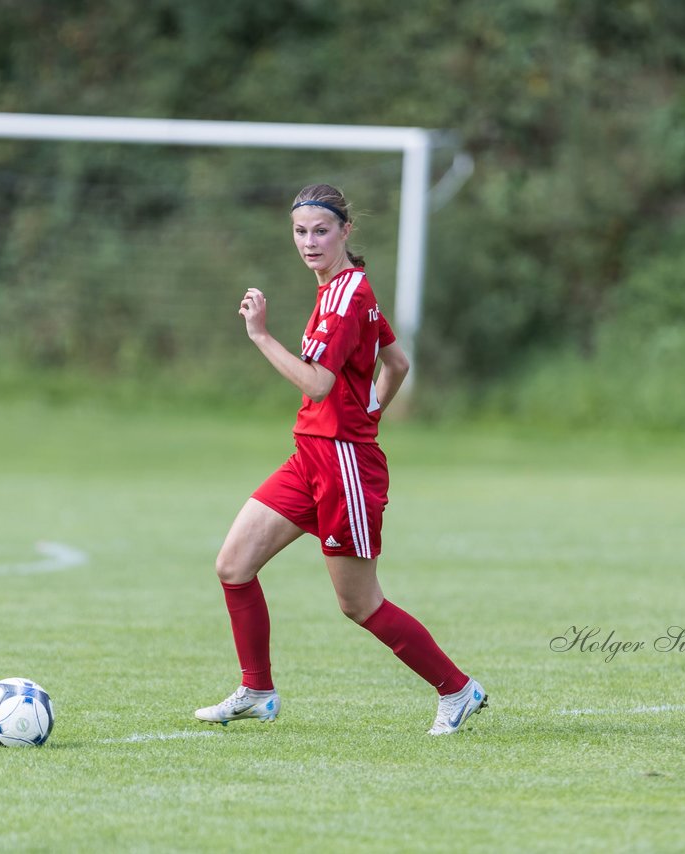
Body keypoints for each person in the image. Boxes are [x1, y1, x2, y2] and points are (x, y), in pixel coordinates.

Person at [194, 184, 487, 736]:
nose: (309, 242)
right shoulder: (348, 287)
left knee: (359, 603)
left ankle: (458, 689)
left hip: (342, 466)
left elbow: (319, 383)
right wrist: (372, 406)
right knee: (233, 566)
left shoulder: (344, 296)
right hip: (311, 456)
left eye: (321, 231)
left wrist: (260, 336)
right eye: (300, 232)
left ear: (345, 232)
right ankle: (257, 690)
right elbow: (396, 363)